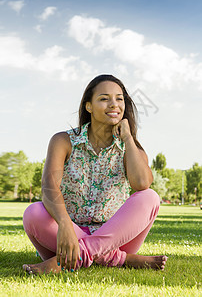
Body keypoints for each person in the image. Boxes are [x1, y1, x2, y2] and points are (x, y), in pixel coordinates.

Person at [23, 74, 168, 275]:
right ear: (88, 106)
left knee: (150, 197)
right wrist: (64, 224)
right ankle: (123, 260)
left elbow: (142, 183)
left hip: (116, 238)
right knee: (33, 213)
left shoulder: (129, 147)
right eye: (104, 98)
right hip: (66, 236)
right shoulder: (63, 140)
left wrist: (127, 137)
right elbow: (49, 186)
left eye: (119, 98)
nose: (114, 104)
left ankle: (72, 258)